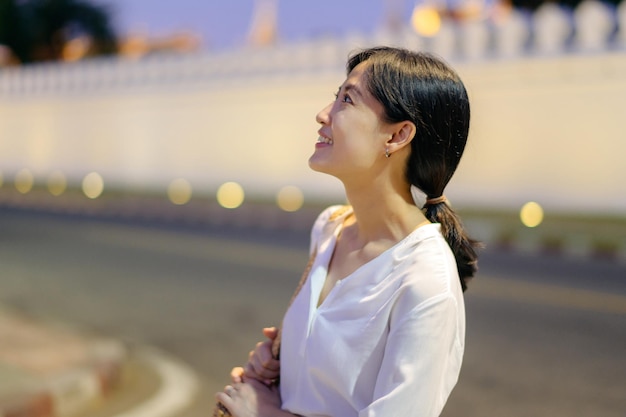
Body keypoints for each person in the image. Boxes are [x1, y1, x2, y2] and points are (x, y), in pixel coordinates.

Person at [215, 46, 480, 417]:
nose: (323, 114)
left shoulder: (425, 278)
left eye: (347, 100)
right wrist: (278, 365)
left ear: (397, 135)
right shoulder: (330, 228)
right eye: (335, 97)